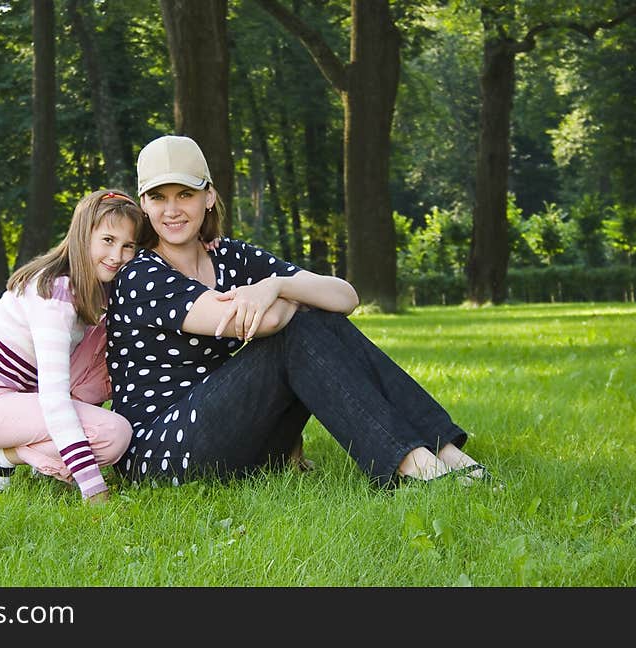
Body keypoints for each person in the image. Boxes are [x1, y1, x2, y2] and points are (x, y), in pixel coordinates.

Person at [105, 135, 490, 489]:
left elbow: (345, 297)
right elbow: (264, 321)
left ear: (208, 197)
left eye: (184, 194)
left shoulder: (229, 256)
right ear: (143, 205)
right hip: (161, 451)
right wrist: (294, 299)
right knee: (296, 330)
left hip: (229, 433)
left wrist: (277, 285)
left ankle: (443, 451)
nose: (171, 210)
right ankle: (412, 461)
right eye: (158, 197)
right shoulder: (142, 275)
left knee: (316, 318)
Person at [0, 189, 145, 505]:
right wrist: (94, 490)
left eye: (127, 245)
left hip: (19, 396)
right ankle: (0, 457)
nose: (117, 255)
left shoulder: (96, 288)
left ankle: (16, 454)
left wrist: (208, 241)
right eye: (107, 240)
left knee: (111, 342)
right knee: (114, 435)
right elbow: (55, 401)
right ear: (82, 236)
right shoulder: (55, 294)